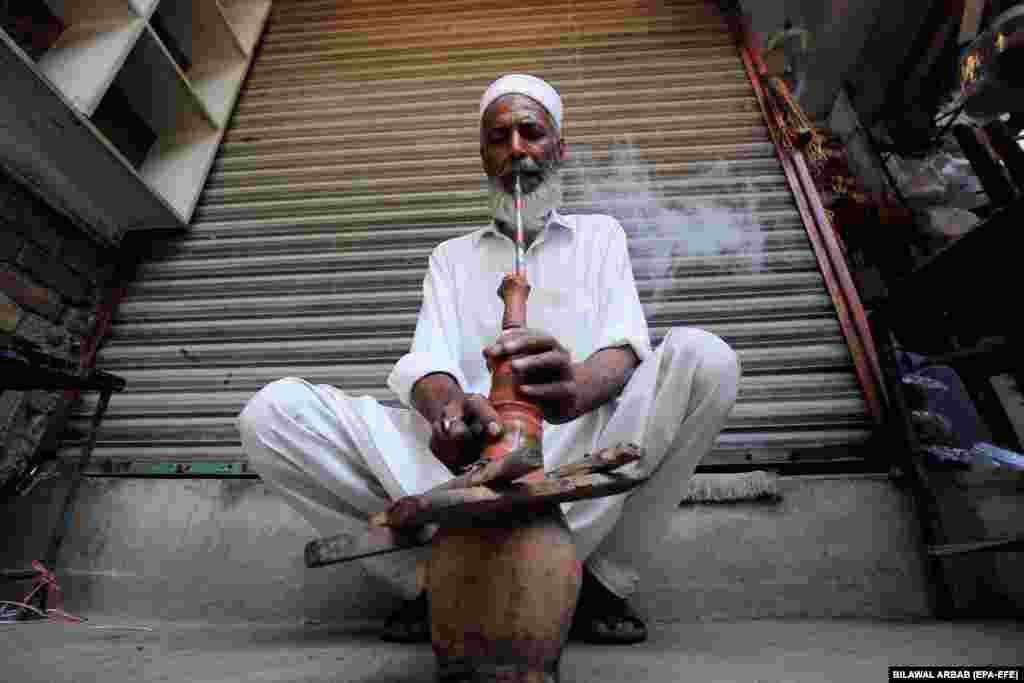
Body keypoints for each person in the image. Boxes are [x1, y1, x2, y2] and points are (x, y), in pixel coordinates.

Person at [237, 74, 741, 645]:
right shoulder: (450, 257)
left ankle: (600, 582)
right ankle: (430, 584)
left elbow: (624, 348)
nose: (517, 150)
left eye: (532, 133)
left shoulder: (601, 236)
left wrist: (572, 389)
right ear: (484, 155)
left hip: (572, 445)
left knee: (707, 360)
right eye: (499, 138)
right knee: (270, 414)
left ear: (559, 148)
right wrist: (451, 413)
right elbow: (426, 362)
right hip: (463, 460)